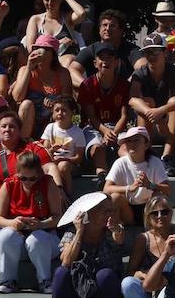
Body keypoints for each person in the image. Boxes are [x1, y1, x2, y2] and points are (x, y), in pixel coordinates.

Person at [0, 112, 58, 263]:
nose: (7, 129)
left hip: (31, 203)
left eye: (12, 126)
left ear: (20, 130)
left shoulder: (33, 148)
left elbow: (50, 168)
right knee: (1, 221)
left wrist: (58, 190)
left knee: (7, 227)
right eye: (3, 126)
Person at [0, 150, 65, 298]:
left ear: (39, 174)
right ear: (17, 174)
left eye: (33, 179)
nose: (28, 182)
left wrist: (41, 224)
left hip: (45, 240)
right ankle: (8, 280)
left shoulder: (48, 183)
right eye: (23, 178)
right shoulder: (9, 185)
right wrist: (13, 222)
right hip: (18, 242)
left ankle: (45, 279)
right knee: (6, 235)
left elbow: (59, 217)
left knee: (36, 238)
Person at [52, 194, 125, 298]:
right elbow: (66, 261)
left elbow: (119, 238)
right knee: (61, 273)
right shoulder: (71, 233)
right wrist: (79, 232)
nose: (110, 215)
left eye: (112, 210)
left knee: (105, 275)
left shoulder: (114, 231)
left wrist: (116, 230)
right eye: (105, 211)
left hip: (103, 292)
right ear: (90, 213)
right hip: (79, 289)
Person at [78, 43, 130, 177]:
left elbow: (124, 116)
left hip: (117, 127)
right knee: (98, 148)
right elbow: (91, 117)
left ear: (117, 62)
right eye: (102, 58)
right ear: (95, 63)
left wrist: (113, 133)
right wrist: (105, 131)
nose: (105, 61)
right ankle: (102, 176)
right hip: (94, 127)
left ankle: (132, 174)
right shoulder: (87, 85)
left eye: (110, 58)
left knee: (126, 148)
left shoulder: (124, 85)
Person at [103, 126, 169, 226]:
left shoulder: (155, 162)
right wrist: (129, 188)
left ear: (146, 144)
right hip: (127, 208)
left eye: (137, 140)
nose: (132, 144)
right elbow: (106, 189)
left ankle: (155, 229)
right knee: (115, 197)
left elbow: (167, 189)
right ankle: (114, 232)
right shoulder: (120, 163)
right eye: (129, 141)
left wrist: (150, 185)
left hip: (149, 208)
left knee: (158, 196)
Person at [10, 35, 72, 139]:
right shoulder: (25, 70)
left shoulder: (62, 73)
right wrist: (29, 68)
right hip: (28, 121)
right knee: (26, 104)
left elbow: (68, 102)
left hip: (52, 120)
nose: (38, 51)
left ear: (53, 54)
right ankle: (23, 145)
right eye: (36, 48)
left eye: (44, 49)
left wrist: (55, 104)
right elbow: (17, 97)